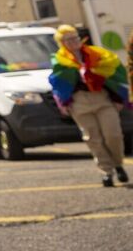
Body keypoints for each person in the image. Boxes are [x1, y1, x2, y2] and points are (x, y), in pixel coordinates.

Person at [49, 24, 130, 186]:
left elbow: (115, 72)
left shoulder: (96, 53)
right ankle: (106, 172)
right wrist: (63, 103)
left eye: (75, 38)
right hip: (79, 102)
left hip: (102, 98)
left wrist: (119, 98)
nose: (73, 42)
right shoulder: (60, 60)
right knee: (93, 138)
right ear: (61, 42)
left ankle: (118, 163)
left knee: (113, 135)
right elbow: (58, 83)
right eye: (68, 40)